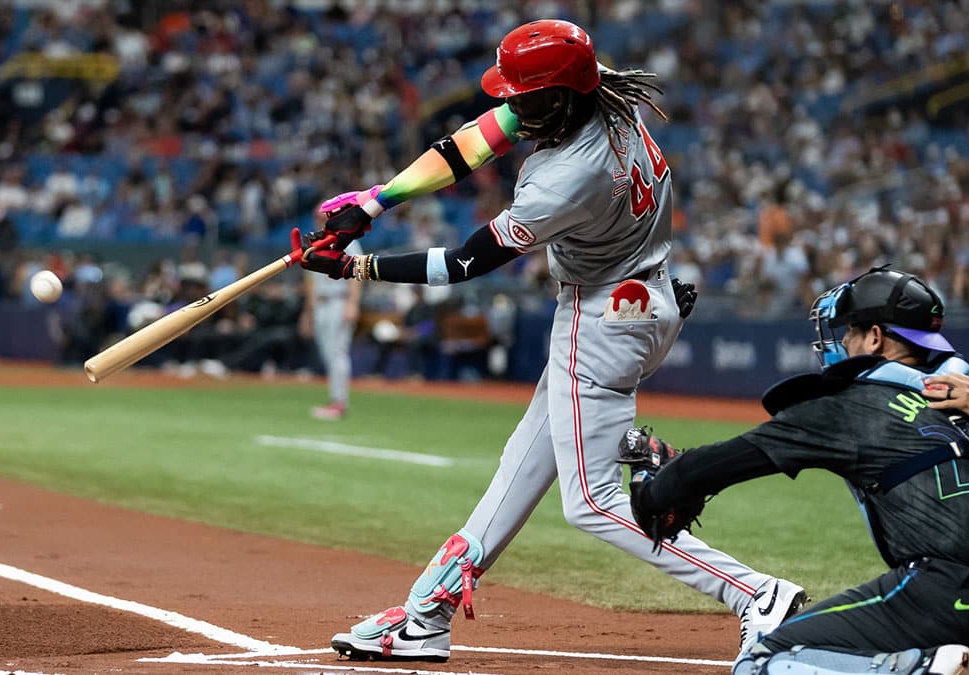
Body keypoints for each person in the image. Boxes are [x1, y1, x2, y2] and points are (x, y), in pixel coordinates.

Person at [293, 19, 804, 663]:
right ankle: (428, 612)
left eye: (524, 95)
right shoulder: (604, 101)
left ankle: (759, 595)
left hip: (604, 318)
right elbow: (470, 145)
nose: (510, 104)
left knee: (592, 503)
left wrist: (357, 265)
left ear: (560, 96)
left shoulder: (567, 177)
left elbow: (462, 264)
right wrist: (373, 203)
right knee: (522, 463)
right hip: (643, 297)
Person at [620, 267, 969, 675]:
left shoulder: (851, 403)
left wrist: (655, 491)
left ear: (876, 338)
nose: (842, 340)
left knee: (760, 663)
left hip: (944, 592)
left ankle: (925, 669)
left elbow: (725, 461)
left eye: (850, 330)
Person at [300, 237, 363, 420]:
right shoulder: (315, 241)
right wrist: (308, 312)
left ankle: (339, 402)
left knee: (337, 352)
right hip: (320, 303)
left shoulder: (348, 241)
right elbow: (310, 279)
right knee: (328, 354)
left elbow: (357, 270)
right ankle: (335, 400)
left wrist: (353, 303)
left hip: (339, 300)